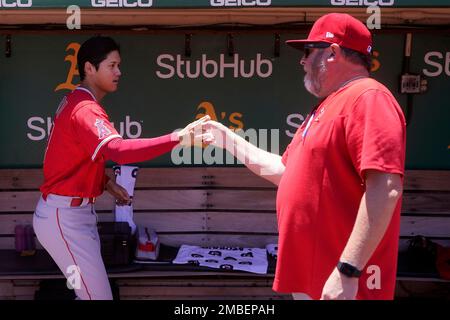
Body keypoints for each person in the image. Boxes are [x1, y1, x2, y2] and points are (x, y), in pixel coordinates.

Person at [203, 13, 406, 300]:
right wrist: (227, 139)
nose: (302, 61)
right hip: (315, 274)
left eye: (309, 52)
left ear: (333, 53)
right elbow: (284, 171)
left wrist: (348, 270)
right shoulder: (327, 106)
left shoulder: (368, 97)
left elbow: (386, 189)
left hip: (343, 280)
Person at [33, 36, 209, 300]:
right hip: (64, 217)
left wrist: (104, 182)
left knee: (90, 295)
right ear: (90, 69)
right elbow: (119, 151)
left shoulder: (79, 102)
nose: (119, 72)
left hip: (72, 213)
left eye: (119, 65)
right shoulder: (85, 109)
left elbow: (70, 158)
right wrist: (179, 138)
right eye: (112, 65)